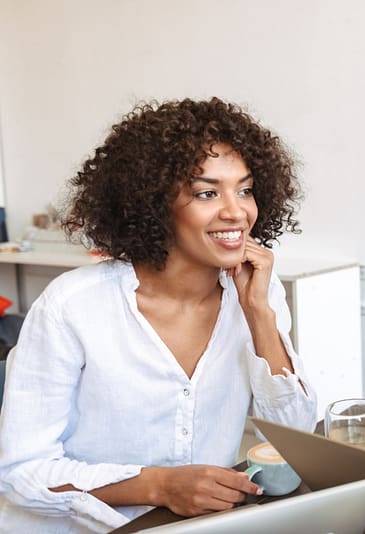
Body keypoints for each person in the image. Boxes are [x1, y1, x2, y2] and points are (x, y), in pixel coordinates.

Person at [0, 97, 317, 532]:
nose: (236, 211)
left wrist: (259, 314)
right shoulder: (72, 307)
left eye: (244, 189)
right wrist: (159, 486)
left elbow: (293, 439)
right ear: (152, 203)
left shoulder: (257, 293)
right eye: (208, 193)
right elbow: (21, 472)